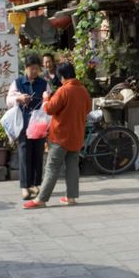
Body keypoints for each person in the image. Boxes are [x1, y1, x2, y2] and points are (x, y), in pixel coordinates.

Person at [24, 62, 91, 209]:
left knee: (52, 167)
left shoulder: (63, 90)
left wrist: (46, 98)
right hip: (77, 135)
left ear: (62, 76)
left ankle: (41, 199)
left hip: (60, 136)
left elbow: (49, 109)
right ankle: (71, 197)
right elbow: (88, 109)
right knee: (72, 167)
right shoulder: (83, 90)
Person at [7, 54, 48, 200]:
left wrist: (45, 101)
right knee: (24, 154)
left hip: (39, 125)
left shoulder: (43, 83)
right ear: (26, 69)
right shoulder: (18, 82)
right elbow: (9, 100)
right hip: (23, 124)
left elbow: (48, 100)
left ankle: (35, 184)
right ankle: (25, 186)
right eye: (32, 69)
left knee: (38, 154)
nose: (34, 72)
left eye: (37, 69)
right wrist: (19, 98)